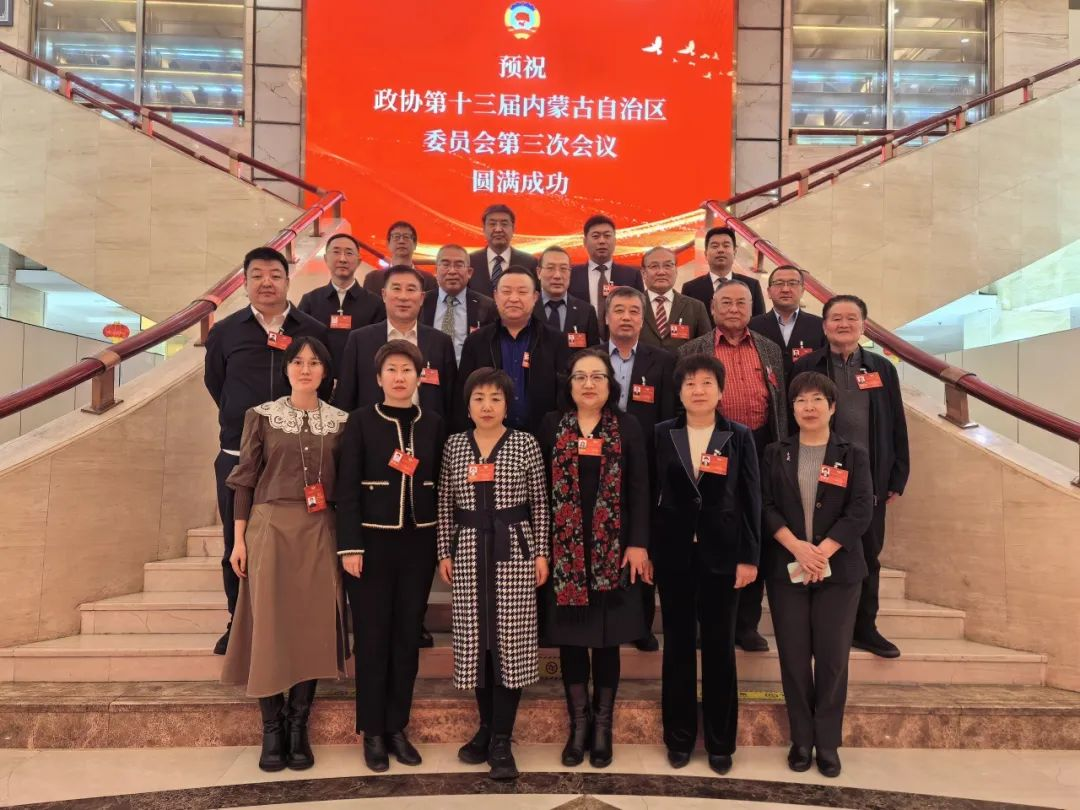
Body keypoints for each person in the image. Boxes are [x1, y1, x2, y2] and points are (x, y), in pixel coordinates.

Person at [221, 336, 349, 772]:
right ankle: (272, 727)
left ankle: (299, 725)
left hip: (320, 530)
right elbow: (244, 480)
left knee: (312, 625)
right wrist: (239, 540)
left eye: (314, 362)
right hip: (270, 527)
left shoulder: (341, 422)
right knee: (270, 625)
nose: (305, 369)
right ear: (287, 368)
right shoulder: (261, 416)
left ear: (326, 371)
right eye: (298, 361)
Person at [204, 246, 330, 656]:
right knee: (236, 543)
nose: (266, 282)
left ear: (288, 281)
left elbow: (325, 383)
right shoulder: (226, 332)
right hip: (237, 454)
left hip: (295, 456)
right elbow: (216, 383)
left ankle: (290, 623)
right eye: (257, 275)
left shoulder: (311, 329)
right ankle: (237, 622)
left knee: (291, 545)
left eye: (275, 275)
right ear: (244, 283)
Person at [538, 348, 652, 769]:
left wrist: (638, 543)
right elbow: (538, 492)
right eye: (581, 376)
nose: (589, 384)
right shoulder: (551, 425)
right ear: (569, 384)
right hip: (564, 553)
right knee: (570, 640)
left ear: (610, 384)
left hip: (612, 552)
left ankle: (603, 728)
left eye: (598, 377)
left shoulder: (627, 426)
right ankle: (579, 726)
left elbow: (640, 487)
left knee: (607, 641)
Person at [336, 339, 446, 772]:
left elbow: (441, 483)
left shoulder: (433, 422)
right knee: (372, 638)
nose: (400, 378)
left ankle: (397, 725)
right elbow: (346, 487)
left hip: (418, 545)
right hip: (370, 545)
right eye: (392, 370)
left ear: (420, 377)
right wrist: (350, 546)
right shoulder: (361, 421)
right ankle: (373, 731)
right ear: (378, 378)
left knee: (405, 639)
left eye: (407, 370)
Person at [437, 368, 550, 781]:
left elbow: (540, 502)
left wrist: (541, 553)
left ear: (507, 404)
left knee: (510, 646)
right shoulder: (454, 445)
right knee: (478, 645)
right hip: (468, 551)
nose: (487, 406)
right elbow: (444, 503)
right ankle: (485, 728)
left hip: (514, 550)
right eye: (479, 398)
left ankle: (502, 740)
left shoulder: (525, 443)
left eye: (495, 398)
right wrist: (443, 551)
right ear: (468, 406)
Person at [652, 353, 761, 775]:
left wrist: (749, 558)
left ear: (721, 391)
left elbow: (750, 499)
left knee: (719, 650)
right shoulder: (663, 433)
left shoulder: (739, 436)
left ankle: (720, 743)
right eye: (690, 384)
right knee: (677, 649)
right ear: (679, 392)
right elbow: (651, 494)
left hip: (724, 556)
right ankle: (678, 739)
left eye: (706, 384)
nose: (698, 391)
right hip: (674, 556)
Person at [762, 371, 874, 779]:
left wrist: (822, 551)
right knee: (793, 659)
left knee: (831, 660)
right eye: (800, 401)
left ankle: (827, 743)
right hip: (787, 569)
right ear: (791, 409)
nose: (808, 407)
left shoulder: (853, 453)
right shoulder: (775, 453)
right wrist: (797, 547)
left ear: (832, 407)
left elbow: (861, 508)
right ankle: (801, 740)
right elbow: (764, 504)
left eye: (816, 400)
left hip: (839, 572)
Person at [792, 294, 909, 659]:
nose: (843, 324)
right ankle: (815, 628)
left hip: (868, 479)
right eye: (836, 318)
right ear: (824, 325)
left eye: (851, 318)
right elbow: (791, 418)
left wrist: (898, 474)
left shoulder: (881, 368)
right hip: (816, 474)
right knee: (816, 549)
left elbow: (896, 423)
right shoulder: (808, 365)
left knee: (867, 554)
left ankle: (864, 628)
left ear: (864, 325)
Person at [679, 278, 787, 652]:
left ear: (753, 308)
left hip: (760, 444)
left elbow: (780, 403)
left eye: (741, 302)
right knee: (708, 530)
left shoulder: (770, 349)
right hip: (712, 443)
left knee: (754, 529)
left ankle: (746, 624)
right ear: (712, 308)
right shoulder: (693, 349)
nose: (734, 309)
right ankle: (702, 621)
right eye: (725, 302)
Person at [602, 286, 676, 652]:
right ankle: (602, 618)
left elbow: (668, 417)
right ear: (607, 317)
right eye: (619, 310)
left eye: (634, 311)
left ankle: (641, 625)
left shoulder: (662, 361)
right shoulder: (589, 359)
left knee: (642, 541)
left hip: (644, 466)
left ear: (643, 319)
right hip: (598, 465)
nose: (626, 317)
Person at [456, 266, 571, 435]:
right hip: (488, 437)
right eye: (506, 291)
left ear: (535, 297)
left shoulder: (556, 341)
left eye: (522, 292)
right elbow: (463, 395)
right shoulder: (476, 341)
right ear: (496, 296)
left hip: (542, 435)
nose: (514, 298)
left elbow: (564, 395)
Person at [336, 265, 457, 419]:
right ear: (384, 295)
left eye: (411, 289)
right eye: (396, 288)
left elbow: (451, 399)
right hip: (372, 429)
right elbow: (345, 398)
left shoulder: (440, 342)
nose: (403, 297)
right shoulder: (359, 340)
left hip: (426, 430)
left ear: (421, 298)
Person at [298, 234, 385, 376]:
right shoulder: (310, 300)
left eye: (349, 253)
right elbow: (299, 344)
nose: (342, 259)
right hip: (318, 380)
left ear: (359, 261)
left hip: (361, 378)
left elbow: (380, 348)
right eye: (336, 252)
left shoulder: (375, 303)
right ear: (326, 258)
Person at [568, 215, 645, 339]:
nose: (602, 241)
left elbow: (640, 311)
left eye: (607, 236)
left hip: (621, 341)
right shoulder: (571, 274)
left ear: (615, 240)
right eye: (596, 236)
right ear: (585, 242)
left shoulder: (632, 275)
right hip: (581, 342)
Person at [420, 244, 498, 363]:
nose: (452, 271)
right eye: (445, 265)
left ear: (469, 272)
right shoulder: (421, 302)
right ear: (436, 271)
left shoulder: (486, 306)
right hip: (429, 369)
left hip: (470, 372)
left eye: (459, 265)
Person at [748, 265, 825, 380]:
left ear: (802, 291)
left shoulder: (819, 326)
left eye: (792, 283)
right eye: (779, 283)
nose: (785, 289)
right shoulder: (752, 326)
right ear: (769, 292)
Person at [682, 227, 766, 321]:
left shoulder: (752, 286)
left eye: (726, 246)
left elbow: (760, 323)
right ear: (706, 254)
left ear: (734, 252)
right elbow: (686, 324)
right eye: (715, 246)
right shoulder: (690, 288)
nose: (720, 250)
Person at [639, 246, 712, 351]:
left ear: (676, 270)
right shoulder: (633, 305)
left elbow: (706, 349)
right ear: (643, 273)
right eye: (654, 266)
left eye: (668, 266)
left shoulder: (696, 307)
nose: (661, 272)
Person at [534, 245, 599, 348]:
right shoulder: (527, 308)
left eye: (563, 269)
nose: (557, 276)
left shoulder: (586, 311)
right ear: (539, 272)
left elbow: (593, 353)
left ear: (570, 272)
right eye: (550, 268)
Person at [468, 204, 538, 296]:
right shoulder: (470, 261)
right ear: (484, 229)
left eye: (504, 224)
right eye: (492, 224)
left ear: (513, 229)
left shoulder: (530, 263)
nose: (498, 229)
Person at [363, 221, 437, 294]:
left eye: (406, 237)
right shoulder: (373, 279)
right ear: (388, 244)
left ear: (415, 244)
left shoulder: (429, 280)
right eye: (396, 237)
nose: (401, 241)